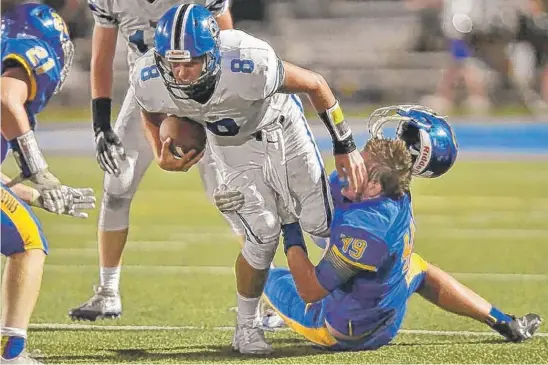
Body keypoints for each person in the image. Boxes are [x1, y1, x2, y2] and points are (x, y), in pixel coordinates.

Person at [130, 4, 368, 354]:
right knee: (261, 235)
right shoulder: (149, 75)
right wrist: (159, 153)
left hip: (281, 128)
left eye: (190, 62)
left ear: (212, 56)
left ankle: (358, 303)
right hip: (229, 145)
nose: (180, 73)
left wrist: (345, 144)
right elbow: (150, 112)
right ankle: (247, 327)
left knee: (321, 226)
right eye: (172, 63)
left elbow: (315, 85)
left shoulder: (248, 60)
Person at [219, 105, 543, 351]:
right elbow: (319, 196)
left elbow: (311, 289)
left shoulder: (368, 228)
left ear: (375, 185)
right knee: (417, 267)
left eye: (407, 132)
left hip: (349, 327)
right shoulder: (394, 184)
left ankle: (266, 314)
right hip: (388, 299)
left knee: (268, 275)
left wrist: (287, 223)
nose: (354, 160)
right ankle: (503, 321)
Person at [68, 0, 235, 322]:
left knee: (229, 194)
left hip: (205, 90)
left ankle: (268, 299)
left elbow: (231, 44)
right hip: (147, 89)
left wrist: (227, 108)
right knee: (117, 183)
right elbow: (102, 57)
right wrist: (101, 121)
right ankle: (107, 292)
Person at [1, 4, 95, 363]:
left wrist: (30, 193)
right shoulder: (28, 49)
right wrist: (36, 168)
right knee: (28, 243)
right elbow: (6, 99)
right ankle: (11, 354)